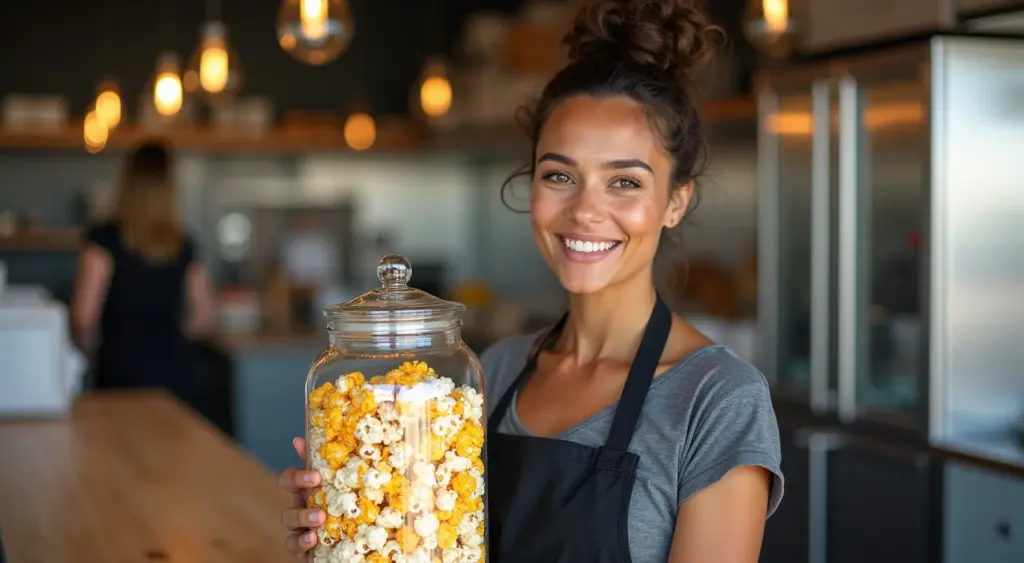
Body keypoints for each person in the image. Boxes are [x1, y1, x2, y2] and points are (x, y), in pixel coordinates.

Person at [277, 0, 784, 561]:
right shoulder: (492, 372)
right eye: (560, 175)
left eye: (625, 182)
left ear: (675, 202)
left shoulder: (717, 400)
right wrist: (347, 534)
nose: (584, 211)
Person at [70, 140, 216, 404]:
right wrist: (168, 339)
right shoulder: (183, 244)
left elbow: (84, 319)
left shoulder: (103, 240)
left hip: (119, 376)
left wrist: (90, 353)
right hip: (175, 376)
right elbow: (204, 318)